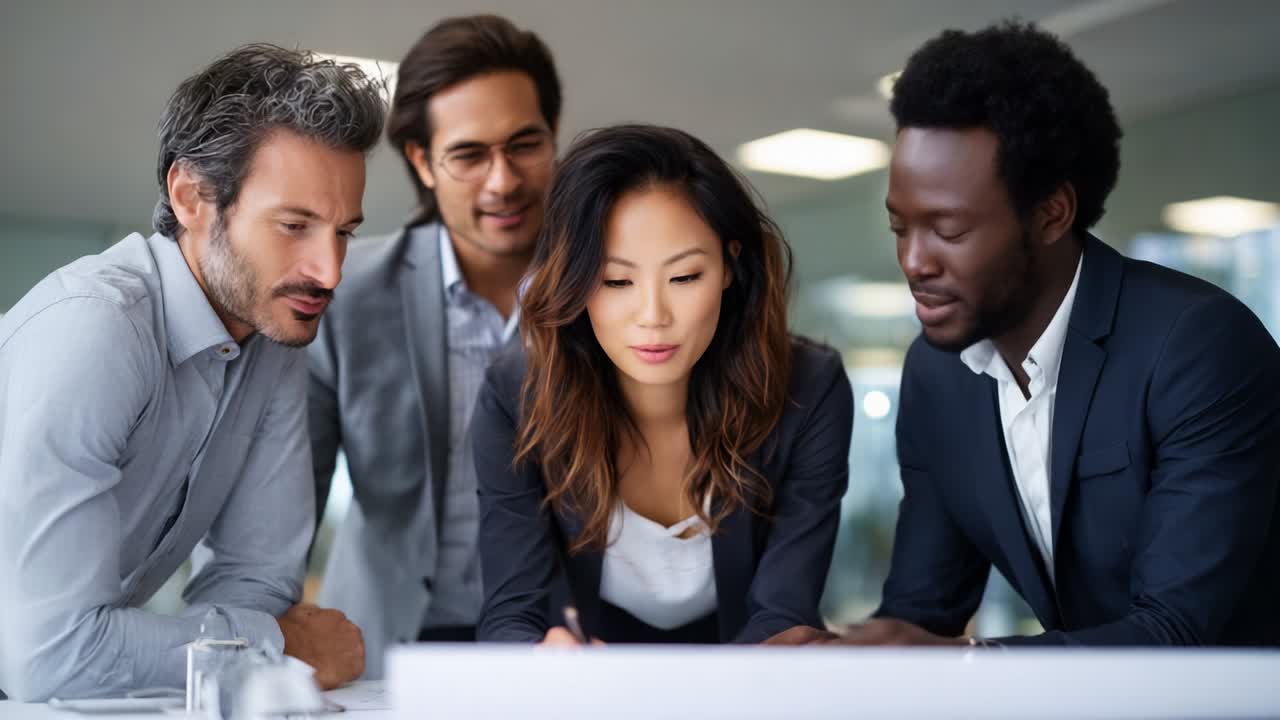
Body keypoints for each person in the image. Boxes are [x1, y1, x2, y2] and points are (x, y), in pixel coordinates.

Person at [771, 21, 1280, 649]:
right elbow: (921, 613)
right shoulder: (939, 372)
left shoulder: (1196, 345)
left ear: (1051, 214)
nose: (913, 261)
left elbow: (1173, 633)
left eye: (949, 231)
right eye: (900, 228)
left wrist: (963, 659)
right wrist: (839, 656)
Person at [0, 44, 385, 700]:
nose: (329, 272)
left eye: (343, 232)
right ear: (191, 197)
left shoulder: (274, 335)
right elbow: (49, 655)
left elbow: (255, 582)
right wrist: (277, 647)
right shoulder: (94, 329)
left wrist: (254, 644)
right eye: (294, 225)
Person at [473, 124, 853, 644]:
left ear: (729, 266)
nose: (653, 316)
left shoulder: (809, 389)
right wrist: (542, 657)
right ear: (574, 282)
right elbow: (511, 617)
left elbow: (784, 615)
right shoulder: (514, 396)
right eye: (616, 281)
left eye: (685, 277)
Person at [307, 15, 561, 676]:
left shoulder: (608, 290)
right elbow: (286, 506)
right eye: (469, 155)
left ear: (553, 136)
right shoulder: (348, 294)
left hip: (556, 644)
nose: (503, 181)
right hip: (384, 647)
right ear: (422, 161)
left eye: (525, 144)